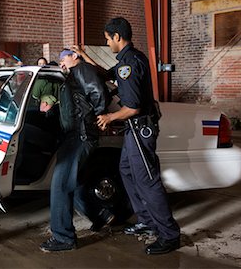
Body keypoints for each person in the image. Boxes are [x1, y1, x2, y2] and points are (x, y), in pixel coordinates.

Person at [73, 17, 181, 255]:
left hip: (140, 128)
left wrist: (109, 118)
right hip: (133, 130)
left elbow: (133, 108)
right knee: (126, 171)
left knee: (148, 181)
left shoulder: (128, 65)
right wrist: (83, 56)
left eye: (108, 39)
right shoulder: (129, 60)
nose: (107, 43)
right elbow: (105, 74)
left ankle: (169, 234)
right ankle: (147, 221)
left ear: (117, 37)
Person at [40, 49, 112, 252]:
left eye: (64, 58)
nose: (62, 62)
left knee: (60, 184)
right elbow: (77, 102)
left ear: (75, 56)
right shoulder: (74, 75)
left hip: (80, 136)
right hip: (73, 135)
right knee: (77, 181)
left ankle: (63, 238)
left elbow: (98, 92)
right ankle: (101, 215)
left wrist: (100, 116)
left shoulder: (81, 69)